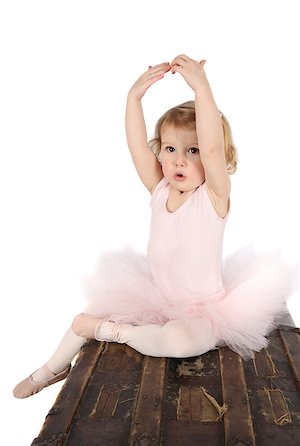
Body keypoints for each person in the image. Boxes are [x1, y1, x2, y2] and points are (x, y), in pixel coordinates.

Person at [13, 54, 298, 399]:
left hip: (204, 309)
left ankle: (111, 331)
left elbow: (211, 147)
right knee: (81, 318)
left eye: (192, 150)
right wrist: (134, 99)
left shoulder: (212, 197)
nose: (179, 159)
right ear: (159, 153)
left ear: (216, 158)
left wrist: (201, 89)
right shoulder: (160, 189)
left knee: (180, 342)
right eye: (170, 148)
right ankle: (51, 369)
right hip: (156, 295)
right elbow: (136, 148)